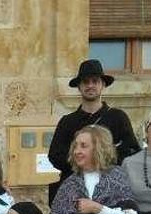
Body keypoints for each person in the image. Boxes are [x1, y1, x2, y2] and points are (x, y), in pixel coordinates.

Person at [47, 59, 140, 204]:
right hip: (74, 193)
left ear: (103, 84)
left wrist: (101, 160)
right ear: (79, 86)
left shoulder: (117, 117)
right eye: (85, 82)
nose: (90, 85)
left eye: (95, 81)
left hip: (109, 192)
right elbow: (55, 155)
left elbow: (132, 150)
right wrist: (82, 162)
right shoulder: (67, 121)